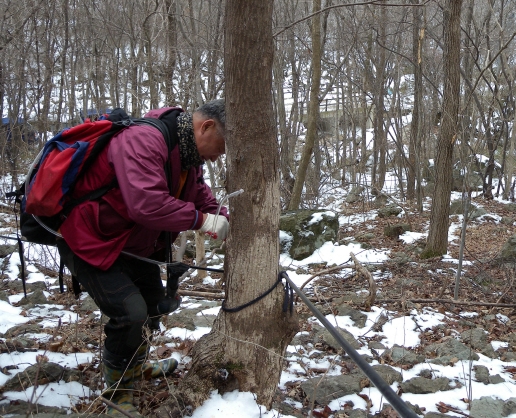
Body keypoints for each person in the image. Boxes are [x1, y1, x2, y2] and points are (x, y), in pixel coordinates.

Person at [56, 99, 229, 416]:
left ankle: (134, 369)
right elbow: (146, 204)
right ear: (207, 126)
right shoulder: (144, 140)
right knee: (130, 311)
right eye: (221, 147)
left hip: (134, 244)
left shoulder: (188, 155)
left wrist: (221, 215)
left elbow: (198, 194)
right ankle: (118, 391)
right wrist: (201, 221)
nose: (219, 156)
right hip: (90, 239)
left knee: (152, 306)